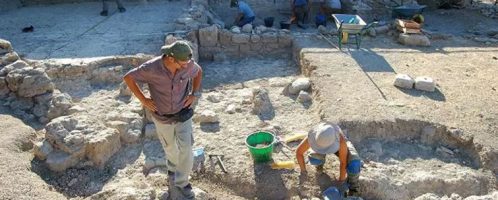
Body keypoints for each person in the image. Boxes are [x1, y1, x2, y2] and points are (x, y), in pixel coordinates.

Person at [123, 41, 203, 200]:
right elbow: (129, 77)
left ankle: (182, 182)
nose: (187, 65)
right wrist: (143, 100)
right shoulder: (152, 68)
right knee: (170, 149)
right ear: (172, 59)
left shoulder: (187, 65)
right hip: (162, 118)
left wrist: (194, 93)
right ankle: (172, 171)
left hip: (182, 115)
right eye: (183, 62)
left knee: (186, 148)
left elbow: (198, 71)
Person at [296, 123, 362, 196]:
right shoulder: (316, 136)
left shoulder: (340, 140)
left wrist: (341, 182)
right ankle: (319, 167)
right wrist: (303, 172)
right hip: (321, 146)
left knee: (354, 164)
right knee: (314, 158)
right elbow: (299, 152)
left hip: (339, 145)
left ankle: (353, 187)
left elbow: (343, 162)